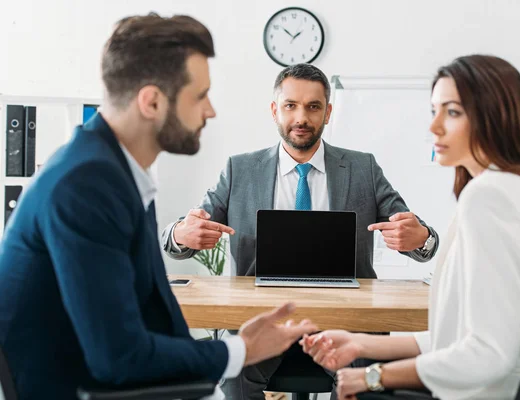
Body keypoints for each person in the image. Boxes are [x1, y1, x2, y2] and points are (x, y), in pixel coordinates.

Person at [0, 14, 317, 400]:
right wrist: (241, 349)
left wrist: (232, 355)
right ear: (151, 101)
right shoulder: (85, 184)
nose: (210, 111)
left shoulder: (117, 172)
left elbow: (153, 318)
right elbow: (119, 357)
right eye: (199, 96)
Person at [300, 54, 520, 399]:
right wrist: (360, 343)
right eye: (433, 110)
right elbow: (460, 337)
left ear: (495, 118)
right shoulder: (516, 189)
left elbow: (486, 355)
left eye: (452, 112)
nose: (433, 126)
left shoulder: (489, 198)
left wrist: (373, 377)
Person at [161, 63, 440, 400]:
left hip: (348, 315)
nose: (301, 118)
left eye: (313, 106)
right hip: (257, 314)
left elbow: (417, 235)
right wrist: (181, 234)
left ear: (328, 113)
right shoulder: (240, 169)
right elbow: (180, 235)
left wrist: (421, 238)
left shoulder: (362, 167)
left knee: (366, 380)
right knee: (233, 376)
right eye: (291, 105)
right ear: (275, 110)